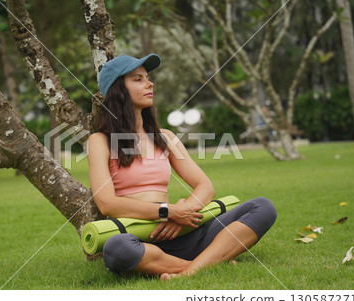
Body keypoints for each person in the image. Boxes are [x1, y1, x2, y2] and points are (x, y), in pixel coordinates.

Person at [87, 54, 277, 281]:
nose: (150, 83)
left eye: (148, 78)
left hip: (183, 232)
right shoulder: (100, 141)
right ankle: (205, 263)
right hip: (141, 238)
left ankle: (188, 270)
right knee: (116, 249)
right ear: (118, 90)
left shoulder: (164, 137)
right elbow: (107, 204)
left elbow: (204, 186)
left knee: (262, 207)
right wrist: (168, 211)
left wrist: (183, 212)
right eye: (138, 79)